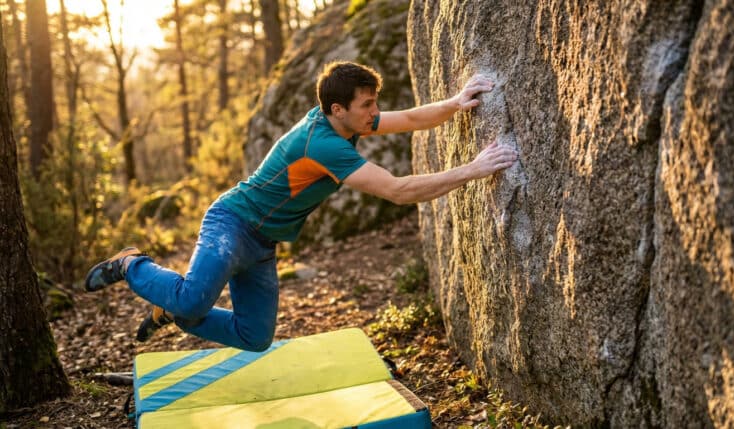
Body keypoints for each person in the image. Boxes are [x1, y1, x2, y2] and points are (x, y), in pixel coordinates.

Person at [84, 61, 518, 351]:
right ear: (337, 108)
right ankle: (131, 264)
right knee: (196, 298)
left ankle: (173, 309)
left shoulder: (344, 122)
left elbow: (407, 118)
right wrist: (473, 169)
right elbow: (398, 190)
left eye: (374, 104)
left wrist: (456, 102)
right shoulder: (322, 144)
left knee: (254, 336)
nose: (375, 112)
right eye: (368, 105)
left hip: (261, 243)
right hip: (232, 223)